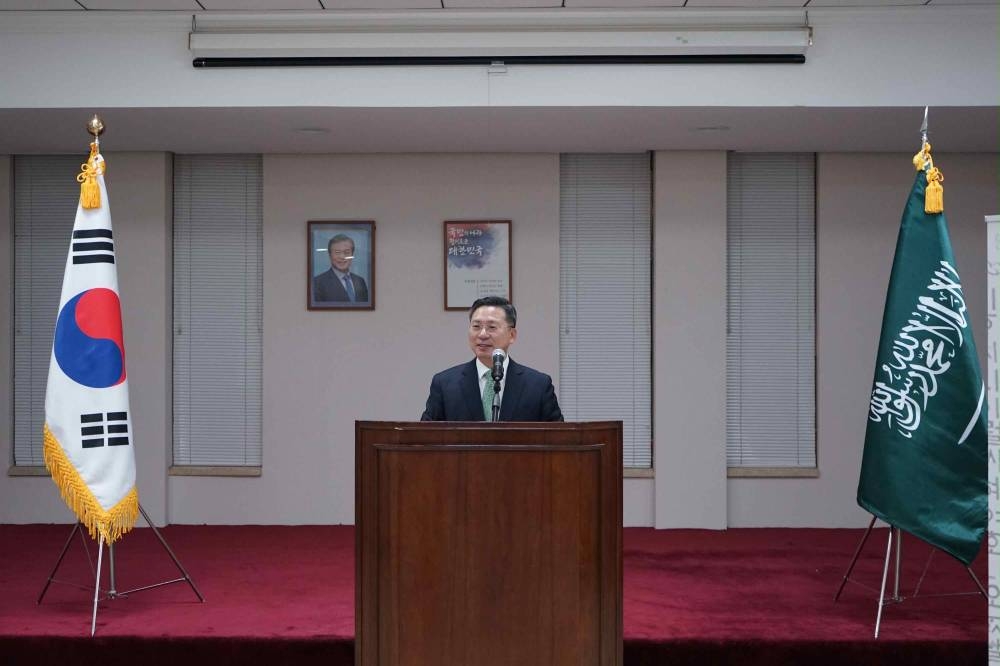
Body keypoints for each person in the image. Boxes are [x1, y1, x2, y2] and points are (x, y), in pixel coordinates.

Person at [421, 296, 563, 422]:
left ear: (512, 335)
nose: (482, 334)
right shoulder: (445, 384)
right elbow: (425, 439)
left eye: (492, 327)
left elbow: (559, 441)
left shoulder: (538, 385)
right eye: (476, 326)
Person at [313, 234, 369, 304]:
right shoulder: (318, 283)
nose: (342, 256)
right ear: (330, 255)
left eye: (347, 252)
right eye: (337, 252)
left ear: (352, 254)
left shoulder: (360, 281)